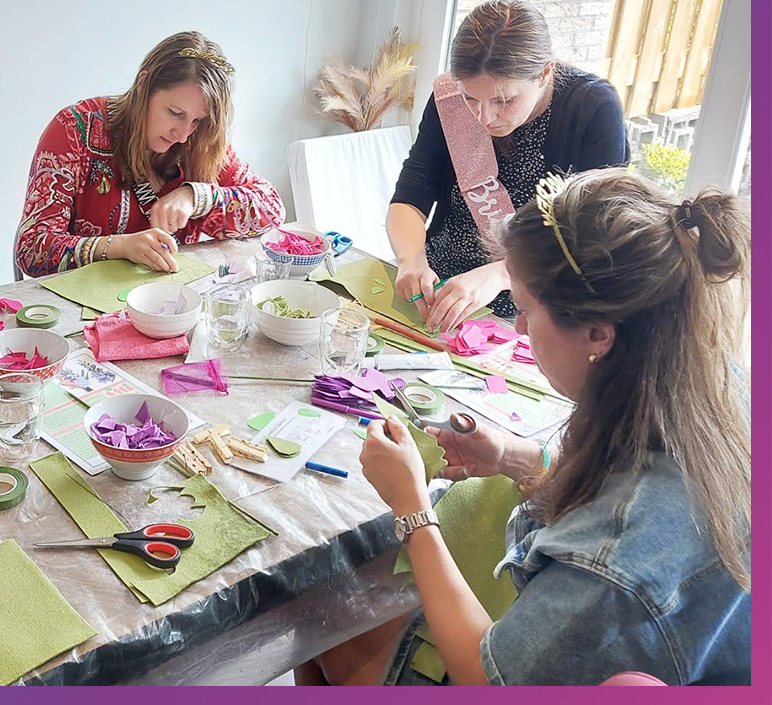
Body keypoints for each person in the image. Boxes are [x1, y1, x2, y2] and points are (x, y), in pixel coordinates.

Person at [297, 169, 751, 686]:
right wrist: (517, 457)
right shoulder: (715, 383)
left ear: (598, 335)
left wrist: (412, 510)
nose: (516, 327)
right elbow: (625, 483)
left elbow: (486, 680)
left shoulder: (613, 562)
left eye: (526, 310)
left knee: (318, 620)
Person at [388, 0, 629, 332]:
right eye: (470, 98)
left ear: (544, 73)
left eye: (504, 100)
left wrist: (501, 274)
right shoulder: (451, 98)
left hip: (535, 310)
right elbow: (412, 192)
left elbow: (596, 235)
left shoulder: (592, 108)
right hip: (439, 290)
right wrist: (411, 261)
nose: (484, 117)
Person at [16, 31, 285, 277]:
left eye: (196, 120)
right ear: (143, 85)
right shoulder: (74, 129)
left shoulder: (200, 141)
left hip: (173, 301)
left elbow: (272, 209)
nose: (183, 134)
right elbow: (32, 249)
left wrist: (196, 196)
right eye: (175, 113)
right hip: (81, 307)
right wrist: (119, 247)